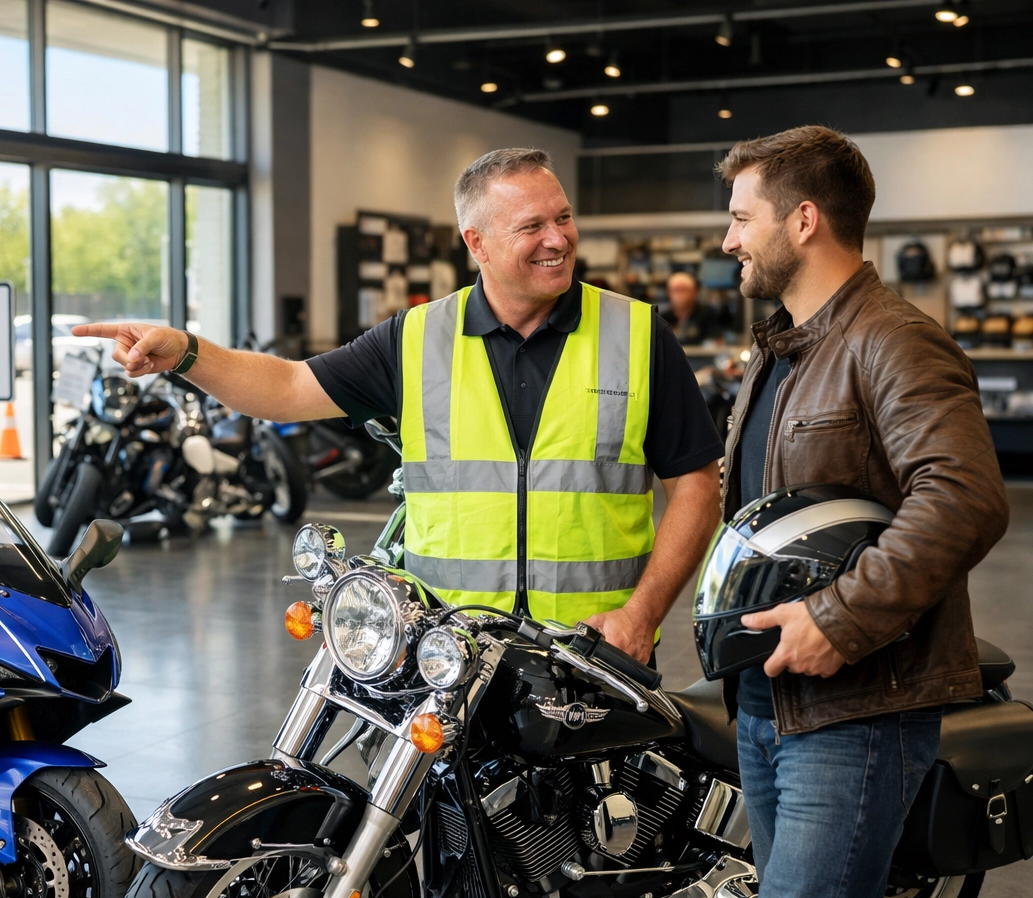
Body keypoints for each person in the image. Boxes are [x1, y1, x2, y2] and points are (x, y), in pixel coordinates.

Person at [74, 148, 723, 663]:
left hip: (596, 654)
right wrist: (187, 352)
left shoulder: (635, 335)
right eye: (532, 226)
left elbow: (695, 485)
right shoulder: (415, 340)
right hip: (452, 656)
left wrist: (642, 617)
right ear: (478, 243)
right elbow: (289, 389)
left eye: (563, 217)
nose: (558, 238)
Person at [717, 126, 1009, 898]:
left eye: (741, 218)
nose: (728, 240)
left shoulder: (891, 339)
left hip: (858, 708)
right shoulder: (783, 348)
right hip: (773, 705)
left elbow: (964, 496)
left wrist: (837, 619)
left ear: (803, 220)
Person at [660, 270, 724, 344]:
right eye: (675, 290)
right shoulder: (663, 318)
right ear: (668, 292)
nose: (679, 295)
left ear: (694, 291)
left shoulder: (706, 314)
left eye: (684, 290)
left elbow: (716, 341)